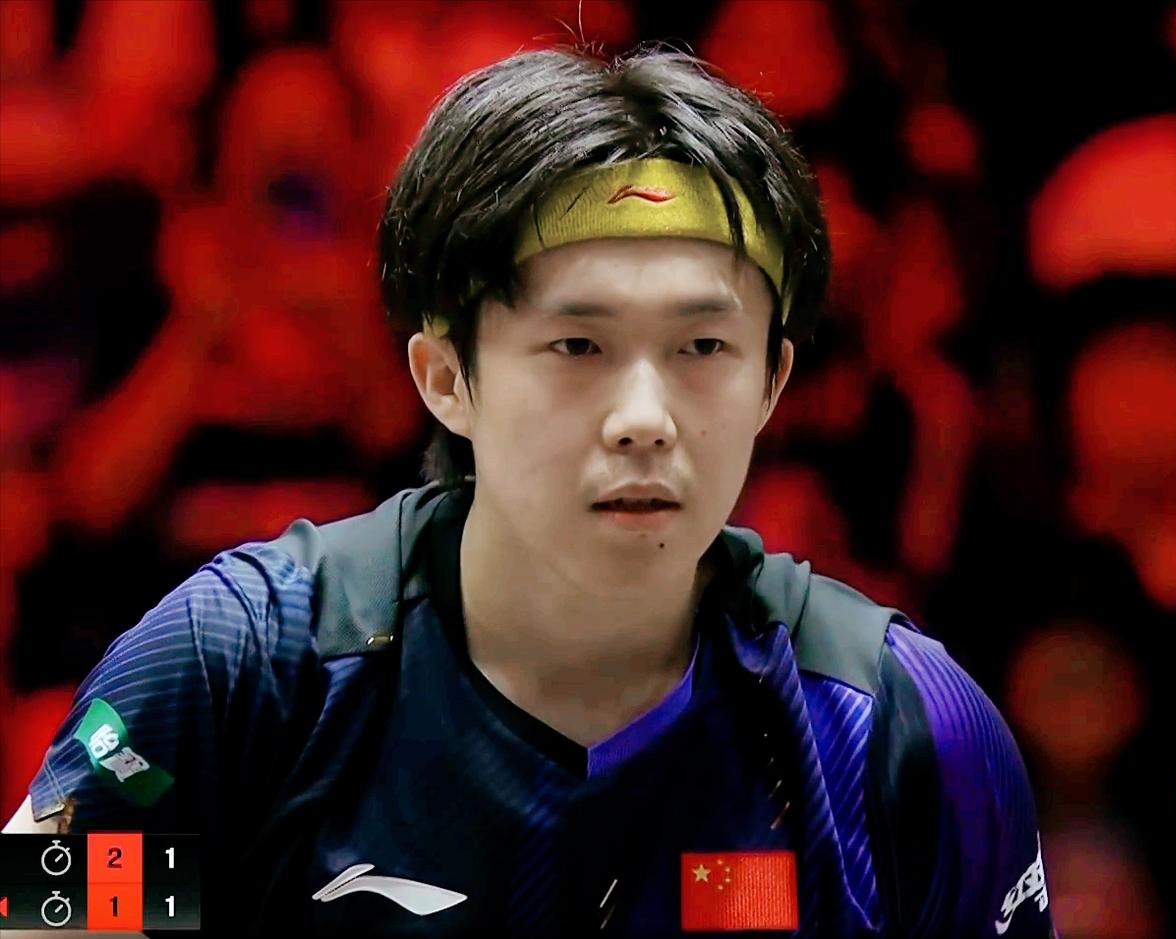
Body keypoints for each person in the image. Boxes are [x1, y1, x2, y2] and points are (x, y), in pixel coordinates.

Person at [4, 46, 1058, 938]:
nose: (643, 415)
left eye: (702, 346)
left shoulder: (902, 730)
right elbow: (50, 928)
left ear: (771, 383)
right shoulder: (235, 671)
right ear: (447, 378)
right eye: (576, 345)